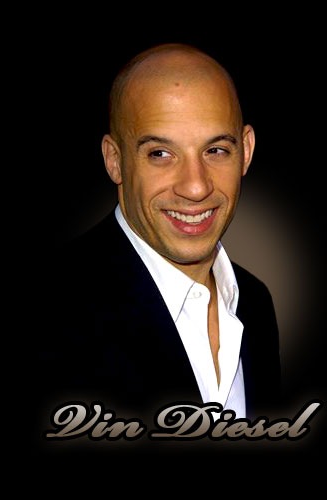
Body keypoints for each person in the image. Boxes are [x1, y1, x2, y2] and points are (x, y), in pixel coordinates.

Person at [34, 43, 281, 449]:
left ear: (246, 151)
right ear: (114, 160)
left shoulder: (254, 302)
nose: (196, 186)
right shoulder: (44, 311)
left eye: (216, 150)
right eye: (161, 153)